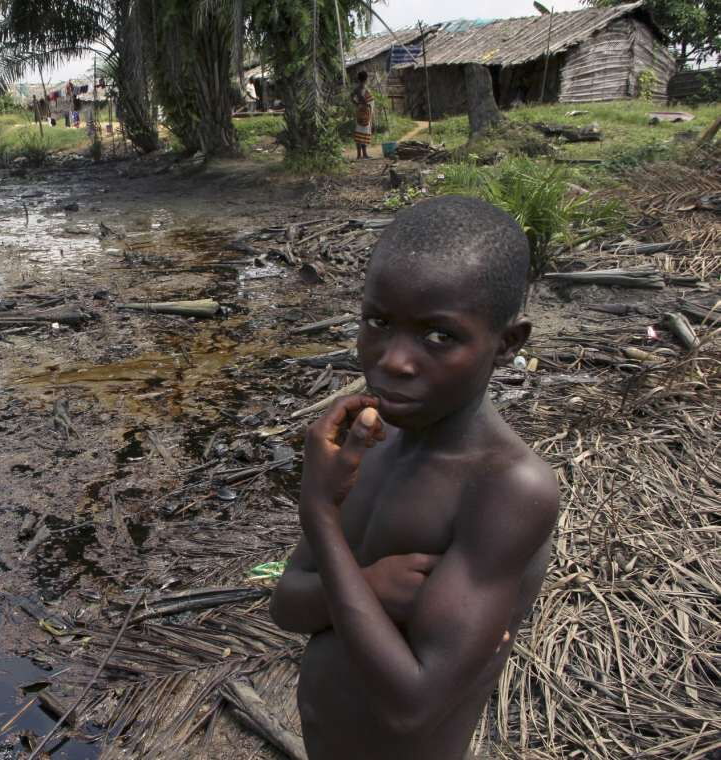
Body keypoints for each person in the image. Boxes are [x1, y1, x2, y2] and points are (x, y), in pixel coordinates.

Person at [270, 195, 559, 760]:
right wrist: (369, 585)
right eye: (378, 321)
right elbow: (285, 605)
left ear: (506, 343)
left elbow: (413, 704)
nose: (395, 360)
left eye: (439, 336)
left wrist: (321, 516)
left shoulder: (506, 488)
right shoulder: (370, 444)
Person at [351, 70, 375, 159]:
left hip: (361, 111)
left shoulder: (358, 88)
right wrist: (364, 103)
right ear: (366, 78)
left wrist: (357, 104)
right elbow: (361, 97)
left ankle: (361, 155)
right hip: (364, 112)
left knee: (360, 132)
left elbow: (351, 97)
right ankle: (362, 154)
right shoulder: (362, 88)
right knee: (362, 131)